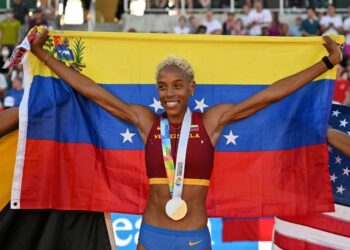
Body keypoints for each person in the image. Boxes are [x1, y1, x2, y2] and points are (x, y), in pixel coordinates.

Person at [30, 27, 342, 250]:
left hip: (193, 238)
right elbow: (91, 91)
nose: (169, 93)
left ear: (192, 88)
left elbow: (271, 94)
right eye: (163, 87)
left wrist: (326, 63)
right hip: (150, 235)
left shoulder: (211, 122)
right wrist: (42, 54)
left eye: (177, 85)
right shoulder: (145, 122)